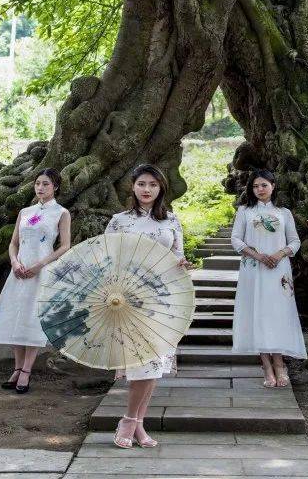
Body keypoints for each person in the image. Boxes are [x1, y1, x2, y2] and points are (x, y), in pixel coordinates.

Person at [105, 164, 191, 450]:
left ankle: (138, 424)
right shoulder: (119, 221)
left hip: (163, 298)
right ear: (133, 186)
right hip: (130, 298)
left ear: (161, 188)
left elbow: (178, 255)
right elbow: (106, 258)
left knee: (155, 364)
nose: (146, 189)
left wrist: (181, 265)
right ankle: (129, 420)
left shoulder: (171, 221)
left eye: (152, 185)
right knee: (141, 362)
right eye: (142, 183)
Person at [0, 167, 71, 393]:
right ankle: (17, 367)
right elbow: (13, 243)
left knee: (32, 318)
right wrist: (14, 262)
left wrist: (39, 265)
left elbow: (65, 246)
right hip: (19, 270)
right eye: (38, 184)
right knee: (17, 315)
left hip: (40, 271)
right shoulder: (25, 212)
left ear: (55, 187)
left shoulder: (61, 213)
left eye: (46, 184)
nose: (40, 187)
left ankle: (26, 370)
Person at [231, 168, 307, 388]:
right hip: (253, 269)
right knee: (258, 313)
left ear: (273, 186)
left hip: (279, 270)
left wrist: (278, 254)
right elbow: (236, 240)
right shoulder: (245, 211)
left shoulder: (284, 213)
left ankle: (280, 363)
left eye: (264, 185)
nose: (260, 189)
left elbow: (294, 241)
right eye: (255, 186)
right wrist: (258, 255)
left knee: (279, 313)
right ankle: (266, 365)